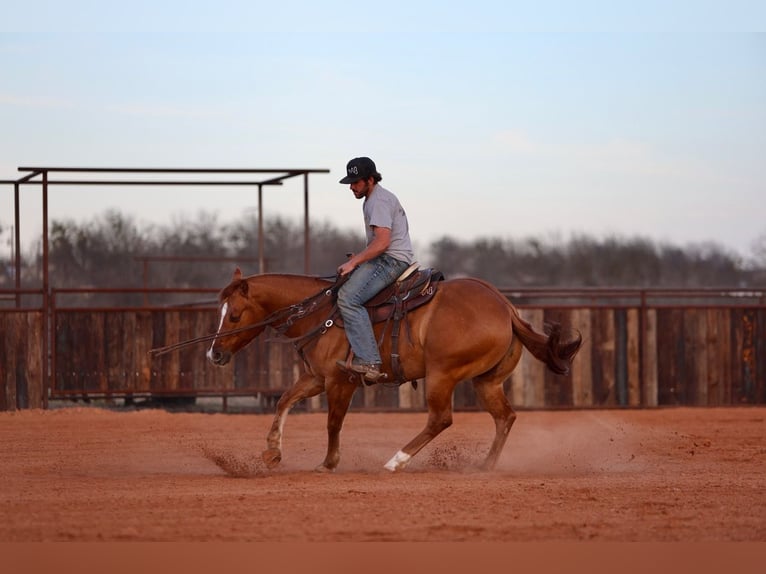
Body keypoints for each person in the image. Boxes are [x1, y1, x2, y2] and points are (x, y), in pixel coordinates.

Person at [336, 157, 415, 382]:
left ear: (370, 180)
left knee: (348, 299)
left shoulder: (377, 201)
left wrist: (355, 262)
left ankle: (369, 361)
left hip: (391, 261)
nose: (352, 187)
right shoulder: (376, 198)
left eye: (356, 182)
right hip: (388, 257)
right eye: (350, 182)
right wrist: (360, 258)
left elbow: (382, 243)